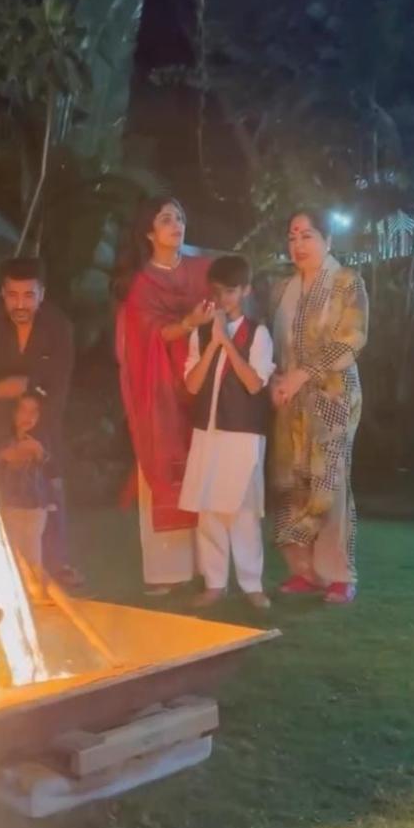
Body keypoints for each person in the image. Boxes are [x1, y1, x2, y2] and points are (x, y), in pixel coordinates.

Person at [0, 256, 83, 589]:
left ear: (42, 294)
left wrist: (34, 436)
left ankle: (56, 564)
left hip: (40, 419)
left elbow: (58, 387)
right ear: (2, 293)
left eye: (29, 295)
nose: (20, 304)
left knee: (48, 479)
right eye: (12, 295)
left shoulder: (58, 327)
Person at [113, 197, 213, 595]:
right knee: (163, 468)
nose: (177, 225)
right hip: (159, 391)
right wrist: (188, 322)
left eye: (181, 218)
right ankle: (167, 572)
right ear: (149, 233)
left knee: (205, 468)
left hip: (202, 384)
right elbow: (149, 336)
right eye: (166, 219)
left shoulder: (201, 270)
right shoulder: (142, 284)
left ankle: (210, 568)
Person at [270, 209, 369, 605]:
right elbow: (273, 346)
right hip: (290, 400)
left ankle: (339, 573)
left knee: (329, 480)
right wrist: (277, 381)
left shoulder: (347, 282)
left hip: (333, 396)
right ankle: (304, 571)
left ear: (328, 240)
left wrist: (304, 373)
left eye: (307, 235)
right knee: (293, 482)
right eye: (292, 237)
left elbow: (351, 339)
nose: (298, 244)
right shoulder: (283, 289)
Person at [180, 255, 274, 611]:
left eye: (231, 291)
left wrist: (228, 344)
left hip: (243, 432)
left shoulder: (258, 333)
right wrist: (213, 342)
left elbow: (254, 384)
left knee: (242, 511)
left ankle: (252, 584)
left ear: (245, 291)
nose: (222, 299)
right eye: (217, 291)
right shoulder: (201, 332)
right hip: (207, 431)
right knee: (208, 509)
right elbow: (192, 385)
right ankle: (215, 582)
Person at [0, 393, 50, 575]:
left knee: (33, 562)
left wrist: (38, 452)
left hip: (35, 510)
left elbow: (45, 463)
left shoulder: (40, 441)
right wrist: (14, 452)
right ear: (14, 413)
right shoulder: (2, 440)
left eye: (34, 412)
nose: (29, 417)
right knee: (14, 561)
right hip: (11, 509)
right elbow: (2, 459)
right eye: (24, 411)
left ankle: (34, 589)